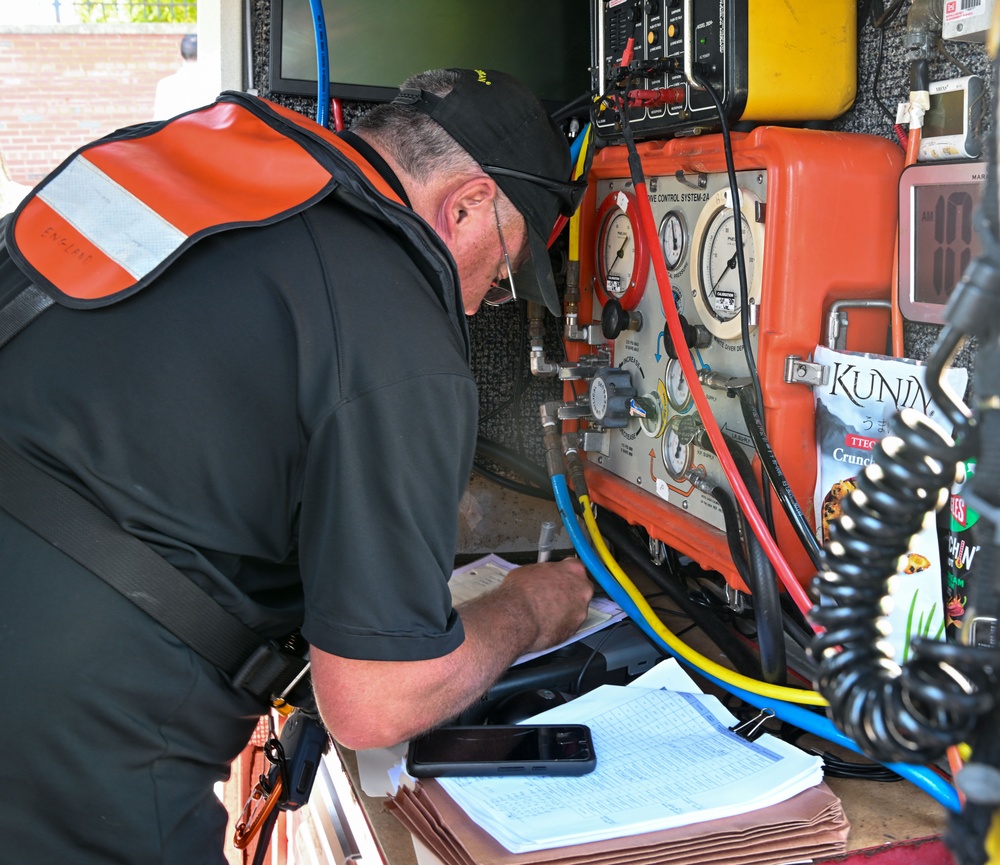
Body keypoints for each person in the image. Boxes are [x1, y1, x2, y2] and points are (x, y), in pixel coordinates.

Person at [0, 68, 593, 863]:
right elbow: (374, 702)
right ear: (468, 204)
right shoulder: (399, 326)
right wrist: (527, 606)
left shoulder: (202, 161)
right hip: (68, 719)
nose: (486, 297)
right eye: (506, 269)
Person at [152, 33, 217, 120]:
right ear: (204, 54)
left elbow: (159, 120)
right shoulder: (213, 82)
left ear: (180, 54)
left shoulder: (166, 85)